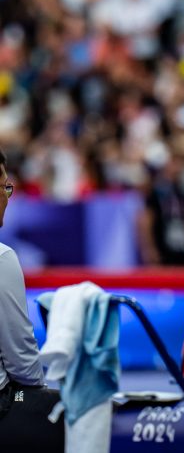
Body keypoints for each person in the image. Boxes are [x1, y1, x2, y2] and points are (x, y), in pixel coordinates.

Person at [0, 149, 65, 452]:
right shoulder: (2, 257)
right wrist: (37, 396)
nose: (8, 197)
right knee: (70, 411)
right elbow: (22, 361)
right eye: (4, 187)